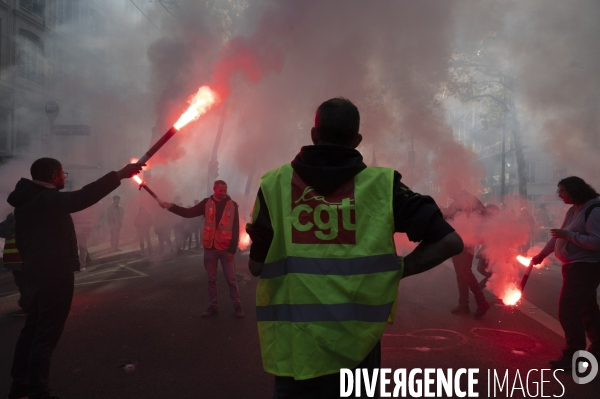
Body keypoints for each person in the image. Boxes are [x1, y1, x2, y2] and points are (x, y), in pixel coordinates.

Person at [245, 98, 463, 398]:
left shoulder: (275, 184)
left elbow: (257, 267)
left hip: (297, 348)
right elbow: (450, 241)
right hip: (358, 347)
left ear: (313, 135)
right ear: (357, 140)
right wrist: (397, 270)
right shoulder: (383, 186)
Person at [5, 157, 142, 399]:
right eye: (62, 174)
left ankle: (21, 387)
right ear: (54, 177)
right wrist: (118, 175)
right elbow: (82, 197)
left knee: (33, 330)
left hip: (36, 273)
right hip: (53, 274)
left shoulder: (28, 199)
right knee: (45, 335)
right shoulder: (45, 199)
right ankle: (38, 391)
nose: (64, 178)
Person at [531, 176, 600, 370]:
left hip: (584, 267)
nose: (559, 195)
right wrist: (541, 254)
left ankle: (573, 357)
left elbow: (597, 242)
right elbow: (559, 235)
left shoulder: (594, 211)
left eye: (562, 190)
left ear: (574, 190)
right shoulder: (574, 210)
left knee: (569, 311)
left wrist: (569, 236)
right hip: (574, 266)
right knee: (588, 309)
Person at [160, 181, 243, 318]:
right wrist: (170, 206)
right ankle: (213, 306)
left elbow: (235, 229)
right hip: (210, 248)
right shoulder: (206, 203)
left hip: (225, 248)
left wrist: (232, 250)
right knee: (211, 280)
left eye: (225, 190)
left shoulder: (233, 205)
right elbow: (188, 213)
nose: (223, 193)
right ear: (214, 189)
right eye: (220, 191)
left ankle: (238, 306)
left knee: (231, 280)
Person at [443, 180, 490, 318]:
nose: (447, 193)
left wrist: (477, 233)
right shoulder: (456, 202)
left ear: (454, 188)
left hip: (467, 241)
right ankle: (464, 304)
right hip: (457, 241)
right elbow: (449, 218)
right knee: (460, 273)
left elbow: (484, 215)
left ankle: (482, 302)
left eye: (448, 190)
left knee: (465, 271)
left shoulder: (469, 200)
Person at [0, 211, 28, 317]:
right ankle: (32, 305)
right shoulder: (34, 214)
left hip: (15, 259)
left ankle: (28, 307)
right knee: (29, 283)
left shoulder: (13, 216)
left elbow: (1, 231)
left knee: (23, 284)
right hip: (28, 258)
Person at [72, 206, 93, 271]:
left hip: (80, 232)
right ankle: (81, 265)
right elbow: (90, 223)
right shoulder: (87, 211)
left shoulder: (75, 211)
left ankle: (80, 265)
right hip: (80, 232)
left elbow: (89, 223)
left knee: (81, 248)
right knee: (82, 248)